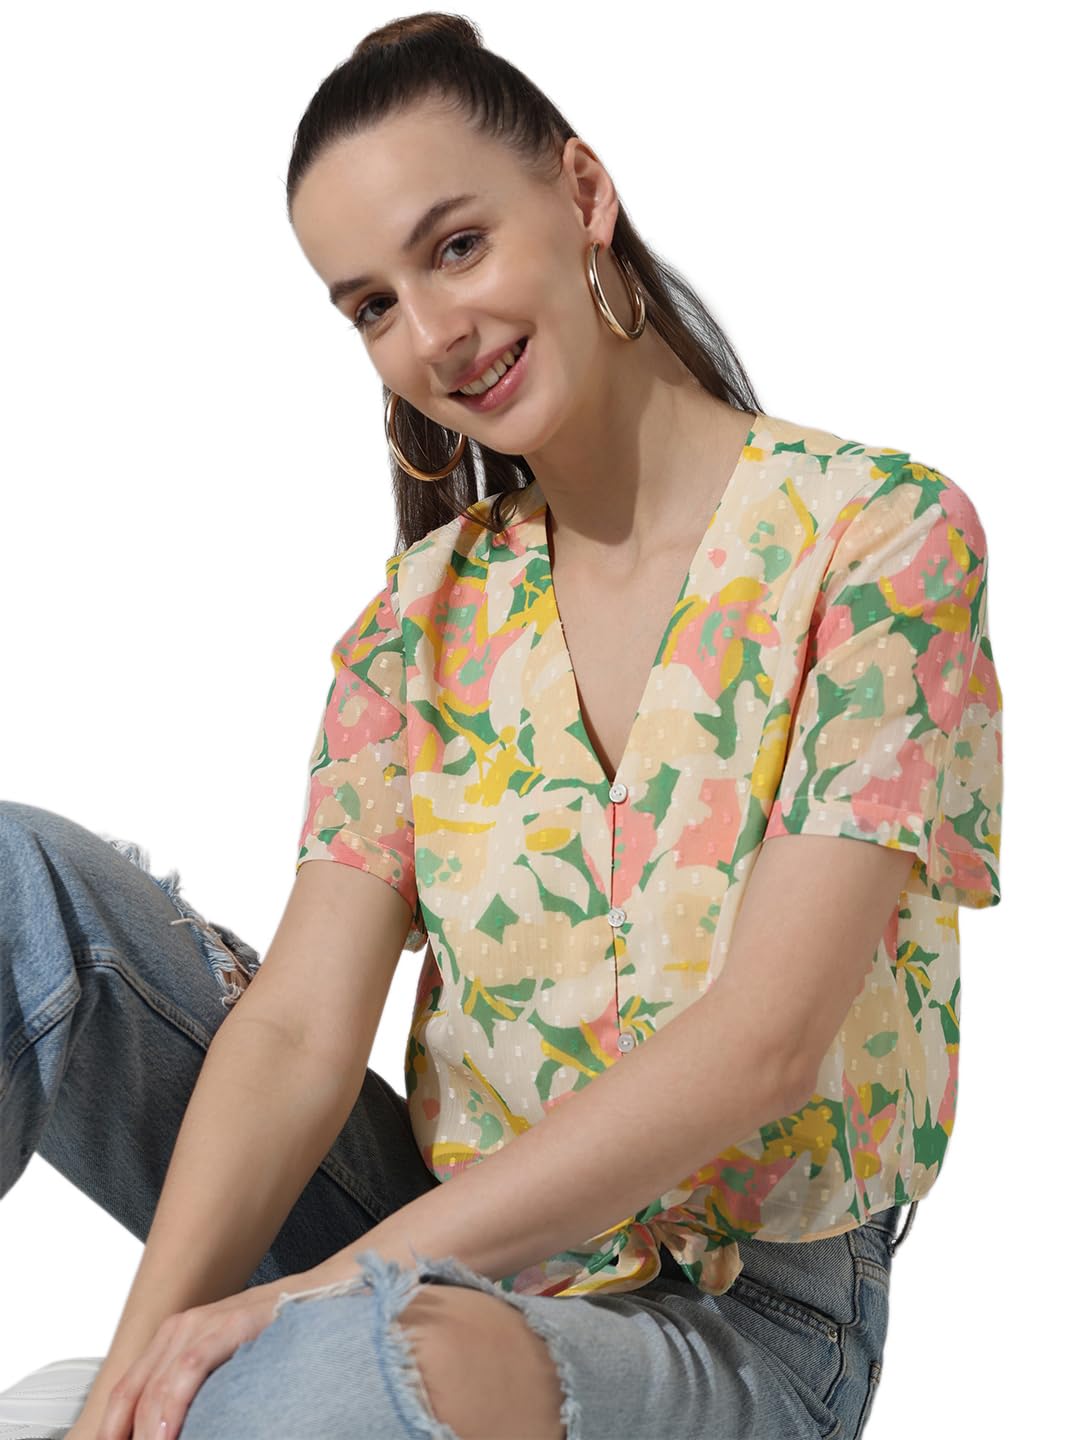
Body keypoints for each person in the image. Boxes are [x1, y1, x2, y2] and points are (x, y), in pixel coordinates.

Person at [0, 11, 1003, 1440]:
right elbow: (296, 1031)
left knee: (344, 1375)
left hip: (736, 1314)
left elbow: (766, 1043)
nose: (431, 336)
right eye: (372, 306)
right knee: (15, 890)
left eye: (457, 247)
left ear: (583, 193)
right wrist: (135, 1374)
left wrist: (311, 1302)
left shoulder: (880, 542)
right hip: (437, 1231)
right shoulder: (418, 619)